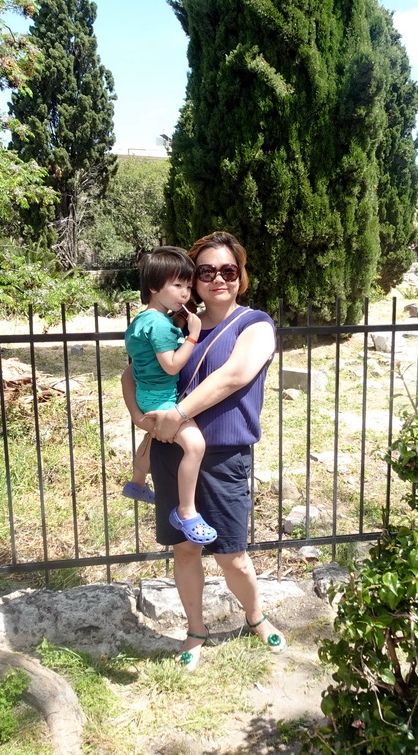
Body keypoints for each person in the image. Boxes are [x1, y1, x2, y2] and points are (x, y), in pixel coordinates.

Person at [121, 231, 287, 671]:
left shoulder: (254, 325)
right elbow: (133, 373)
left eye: (228, 271)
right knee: (185, 550)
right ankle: (196, 631)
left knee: (232, 554)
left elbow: (234, 375)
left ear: (241, 276)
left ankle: (255, 616)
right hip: (171, 451)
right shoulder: (173, 325)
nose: (218, 279)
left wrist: (178, 413)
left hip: (224, 457)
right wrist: (142, 417)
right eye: (206, 272)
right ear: (192, 280)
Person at [123, 246, 217, 546]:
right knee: (195, 445)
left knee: (154, 437)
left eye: (188, 286)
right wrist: (192, 334)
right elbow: (172, 364)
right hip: (161, 400)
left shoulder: (142, 320)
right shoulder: (160, 324)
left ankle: (137, 482)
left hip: (147, 395)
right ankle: (186, 511)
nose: (185, 294)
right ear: (154, 286)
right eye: (177, 285)